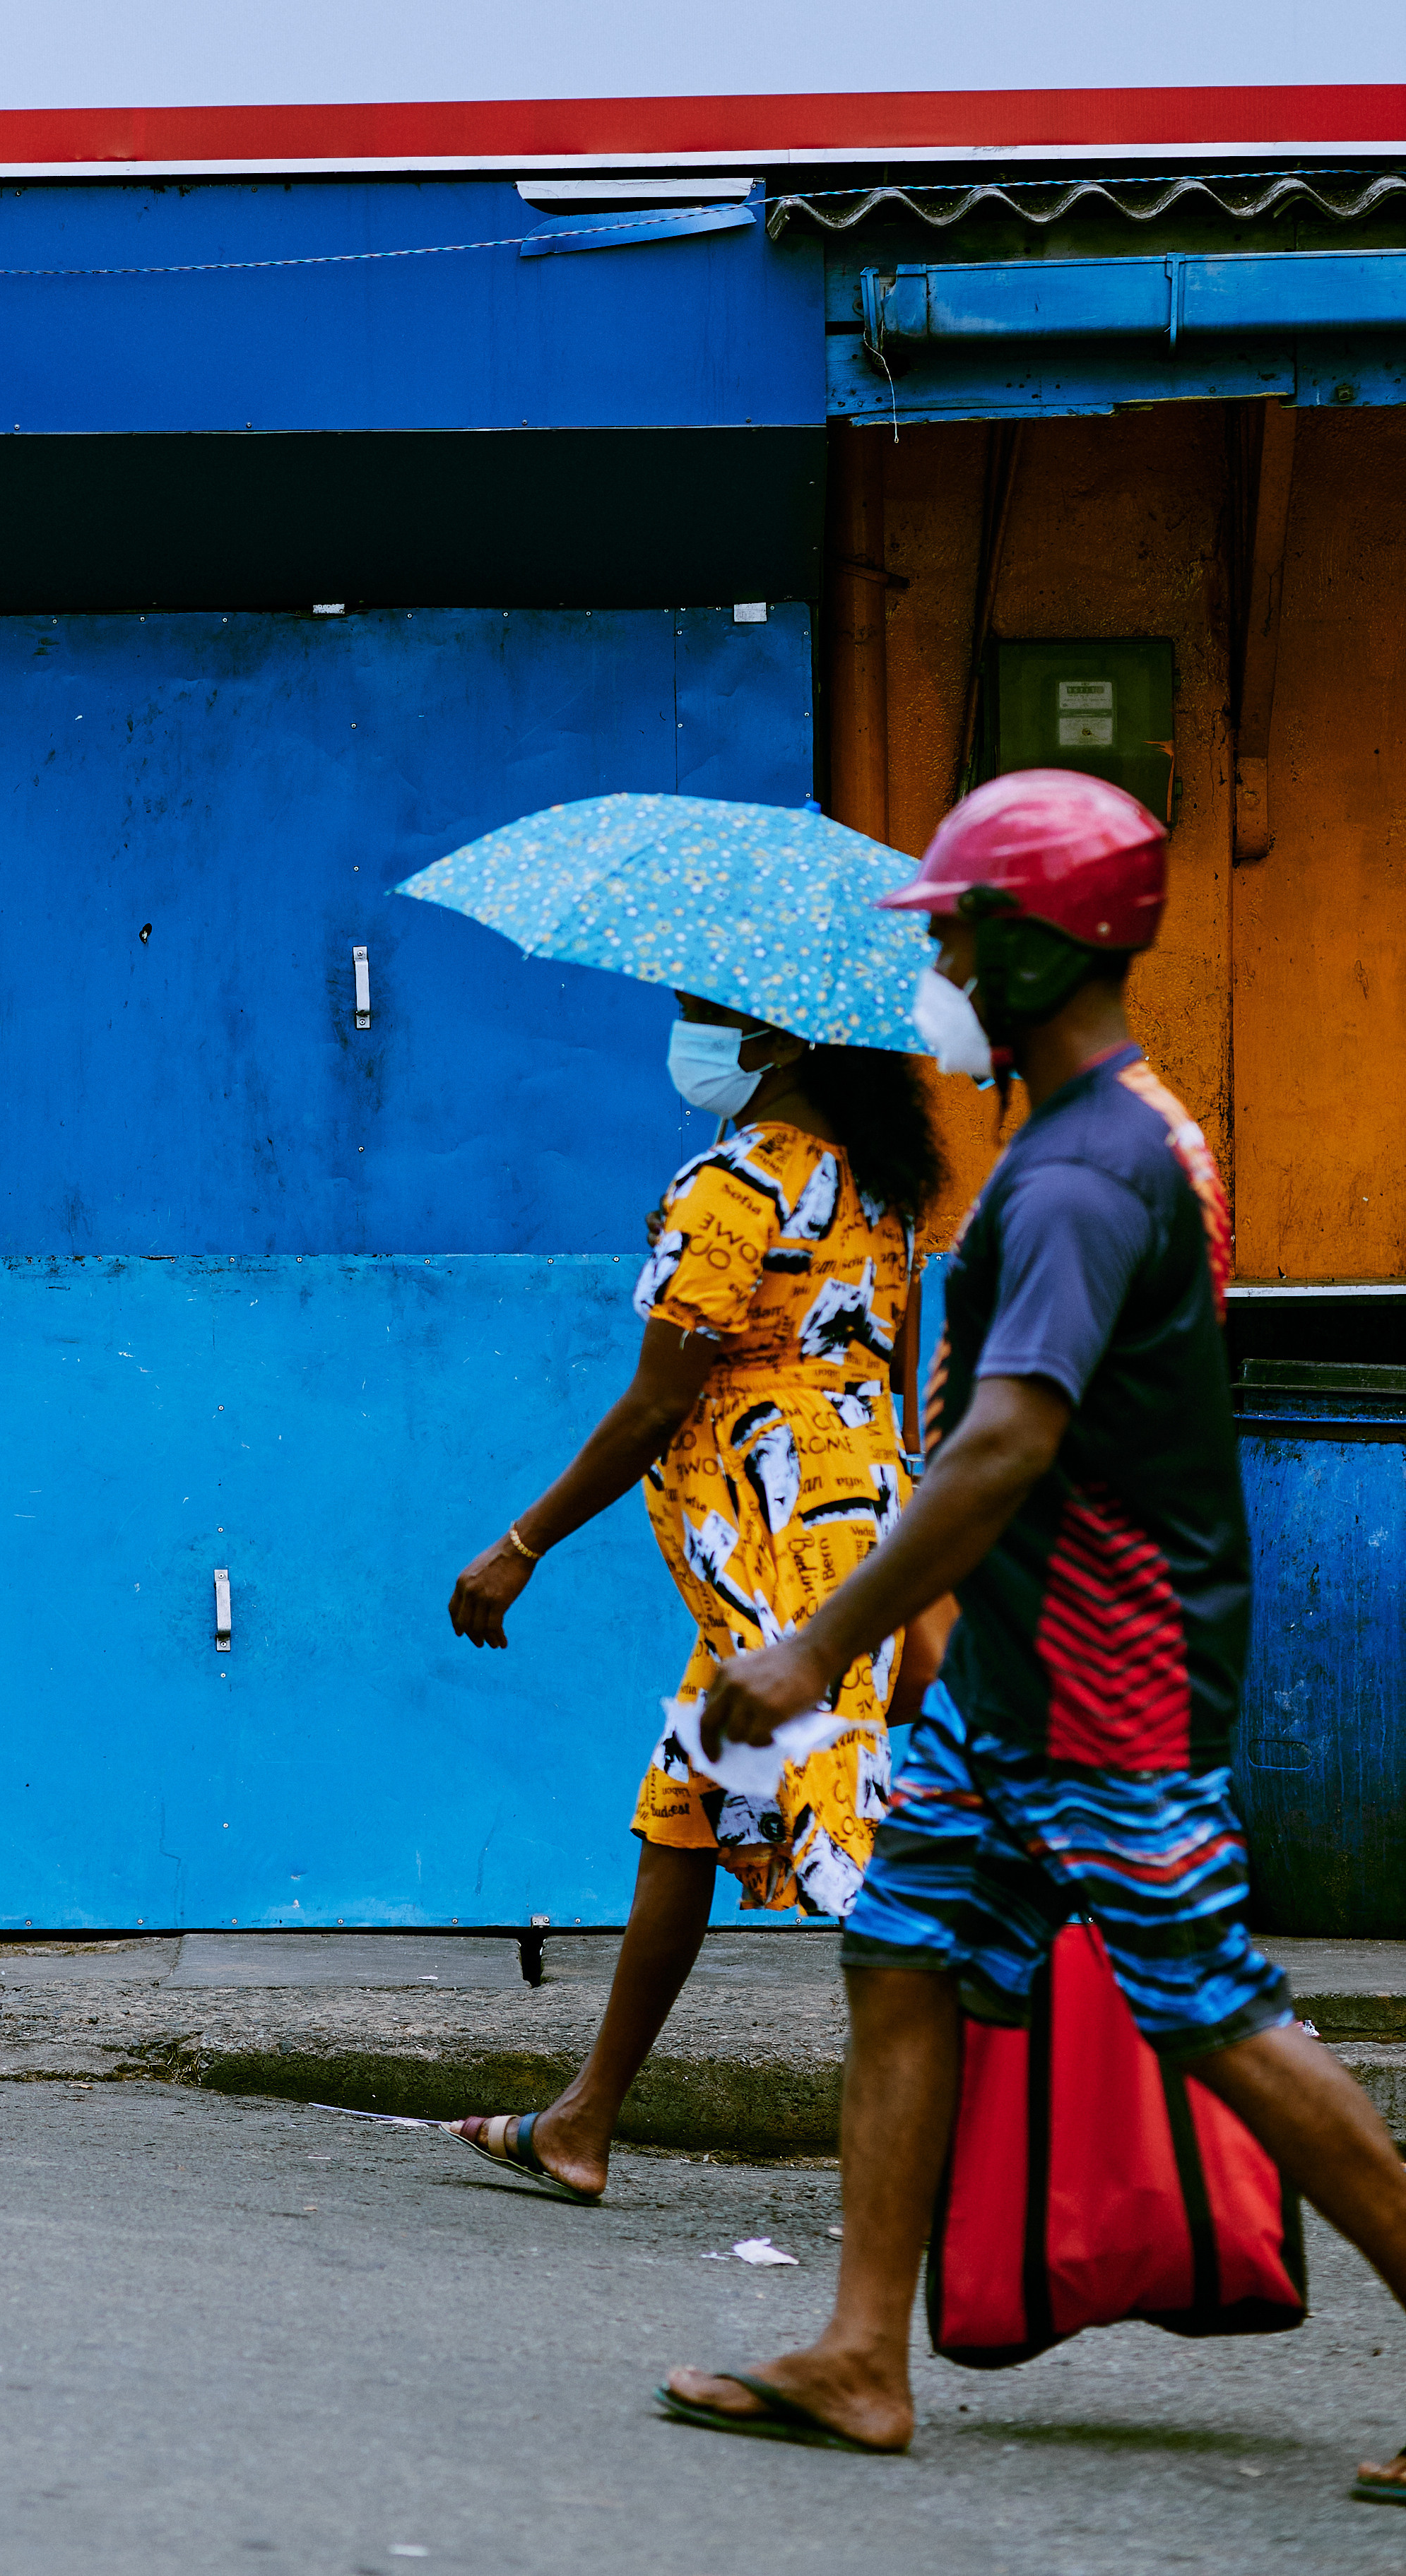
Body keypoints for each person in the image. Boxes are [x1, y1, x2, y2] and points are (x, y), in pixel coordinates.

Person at [660, 772, 1406, 2505]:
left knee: (1208, 2001)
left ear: (1044, 943)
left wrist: (811, 1644)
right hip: (1014, 1670)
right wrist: (933, 1627)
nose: (941, 972)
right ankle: (858, 2355)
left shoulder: (1083, 1172)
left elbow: (1008, 1437)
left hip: (1104, 1678)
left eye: (965, 932)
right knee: (900, 1951)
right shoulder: (1116, 1130)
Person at [444, 991, 950, 2204]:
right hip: (839, 1533)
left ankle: (1054, 2107)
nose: (687, 1036)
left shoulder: (734, 1190)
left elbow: (657, 1402)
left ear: (777, 1041)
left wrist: (521, 1542)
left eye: (702, 1014)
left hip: (788, 1560)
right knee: (683, 1816)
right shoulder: (882, 1183)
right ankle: (583, 2121)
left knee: (854, 1831)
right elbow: (889, 1385)